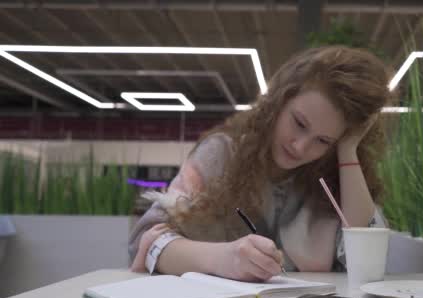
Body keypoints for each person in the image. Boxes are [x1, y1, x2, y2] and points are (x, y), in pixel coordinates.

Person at [129, 45, 391, 281]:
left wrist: (347, 150)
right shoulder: (221, 155)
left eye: (322, 140)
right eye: (299, 123)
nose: (300, 147)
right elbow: (146, 240)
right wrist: (224, 258)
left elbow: (364, 257)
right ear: (279, 102)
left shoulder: (333, 178)